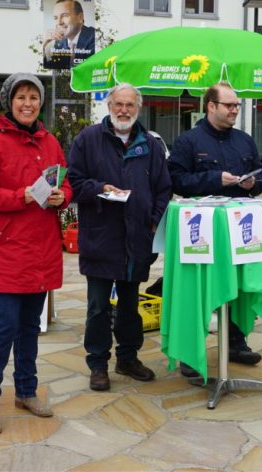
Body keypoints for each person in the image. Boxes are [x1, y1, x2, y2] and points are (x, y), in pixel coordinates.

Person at [0, 73, 72, 433]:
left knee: (30, 328)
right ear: (9, 101)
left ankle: (26, 391)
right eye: (21, 97)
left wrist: (62, 196)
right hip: (8, 250)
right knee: (4, 327)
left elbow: (64, 181)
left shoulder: (49, 141)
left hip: (41, 250)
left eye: (34, 97)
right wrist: (20, 196)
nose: (28, 103)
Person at [68, 83, 172, 392]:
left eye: (129, 105)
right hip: (102, 238)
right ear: (108, 105)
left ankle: (128, 358)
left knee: (129, 306)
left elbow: (163, 189)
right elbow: (73, 183)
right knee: (99, 307)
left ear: (138, 109)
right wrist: (101, 188)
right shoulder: (88, 139)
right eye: (118, 104)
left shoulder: (150, 145)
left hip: (137, 240)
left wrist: (153, 224)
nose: (123, 110)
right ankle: (98, 364)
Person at [168, 81, 262, 378]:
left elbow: (260, 178)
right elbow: (176, 181)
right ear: (211, 106)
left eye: (237, 105)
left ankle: (236, 342)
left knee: (236, 286)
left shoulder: (244, 141)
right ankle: (189, 350)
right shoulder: (189, 141)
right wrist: (215, 179)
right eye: (229, 105)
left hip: (239, 230)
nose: (235, 109)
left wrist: (254, 184)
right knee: (198, 289)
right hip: (201, 232)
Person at [43, 0, 95, 69]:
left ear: (80, 17)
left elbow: (88, 69)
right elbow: (54, 67)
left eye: (64, 16)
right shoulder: (60, 42)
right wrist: (44, 45)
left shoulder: (94, 37)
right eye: (55, 18)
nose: (59, 22)